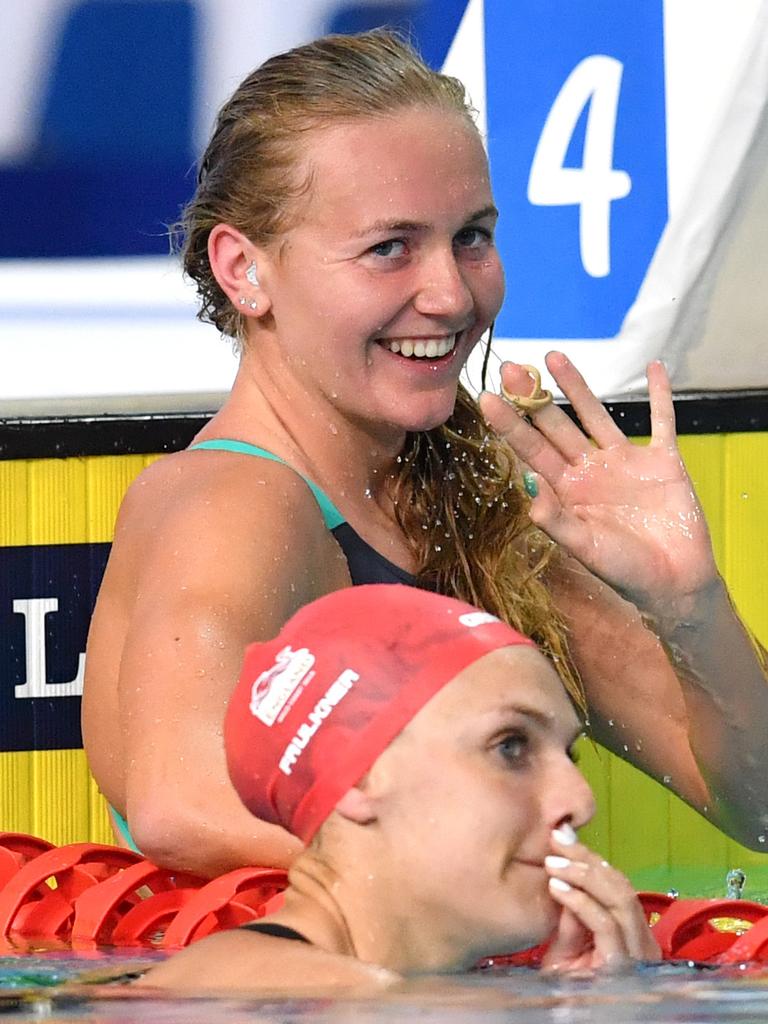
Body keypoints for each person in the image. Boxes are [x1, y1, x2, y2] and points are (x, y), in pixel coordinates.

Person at [83, 30, 768, 877]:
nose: (450, 294)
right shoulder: (231, 500)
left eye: (472, 237)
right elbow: (180, 808)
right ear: (243, 270)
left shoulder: (457, 497)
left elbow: (758, 803)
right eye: (388, 248)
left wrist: (687, 603)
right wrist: (504, 883)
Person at [138, 585, 660, 994]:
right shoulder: (267, 996)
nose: (580, 802)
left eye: (568, 755)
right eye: (510, 747)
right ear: (359, 778)